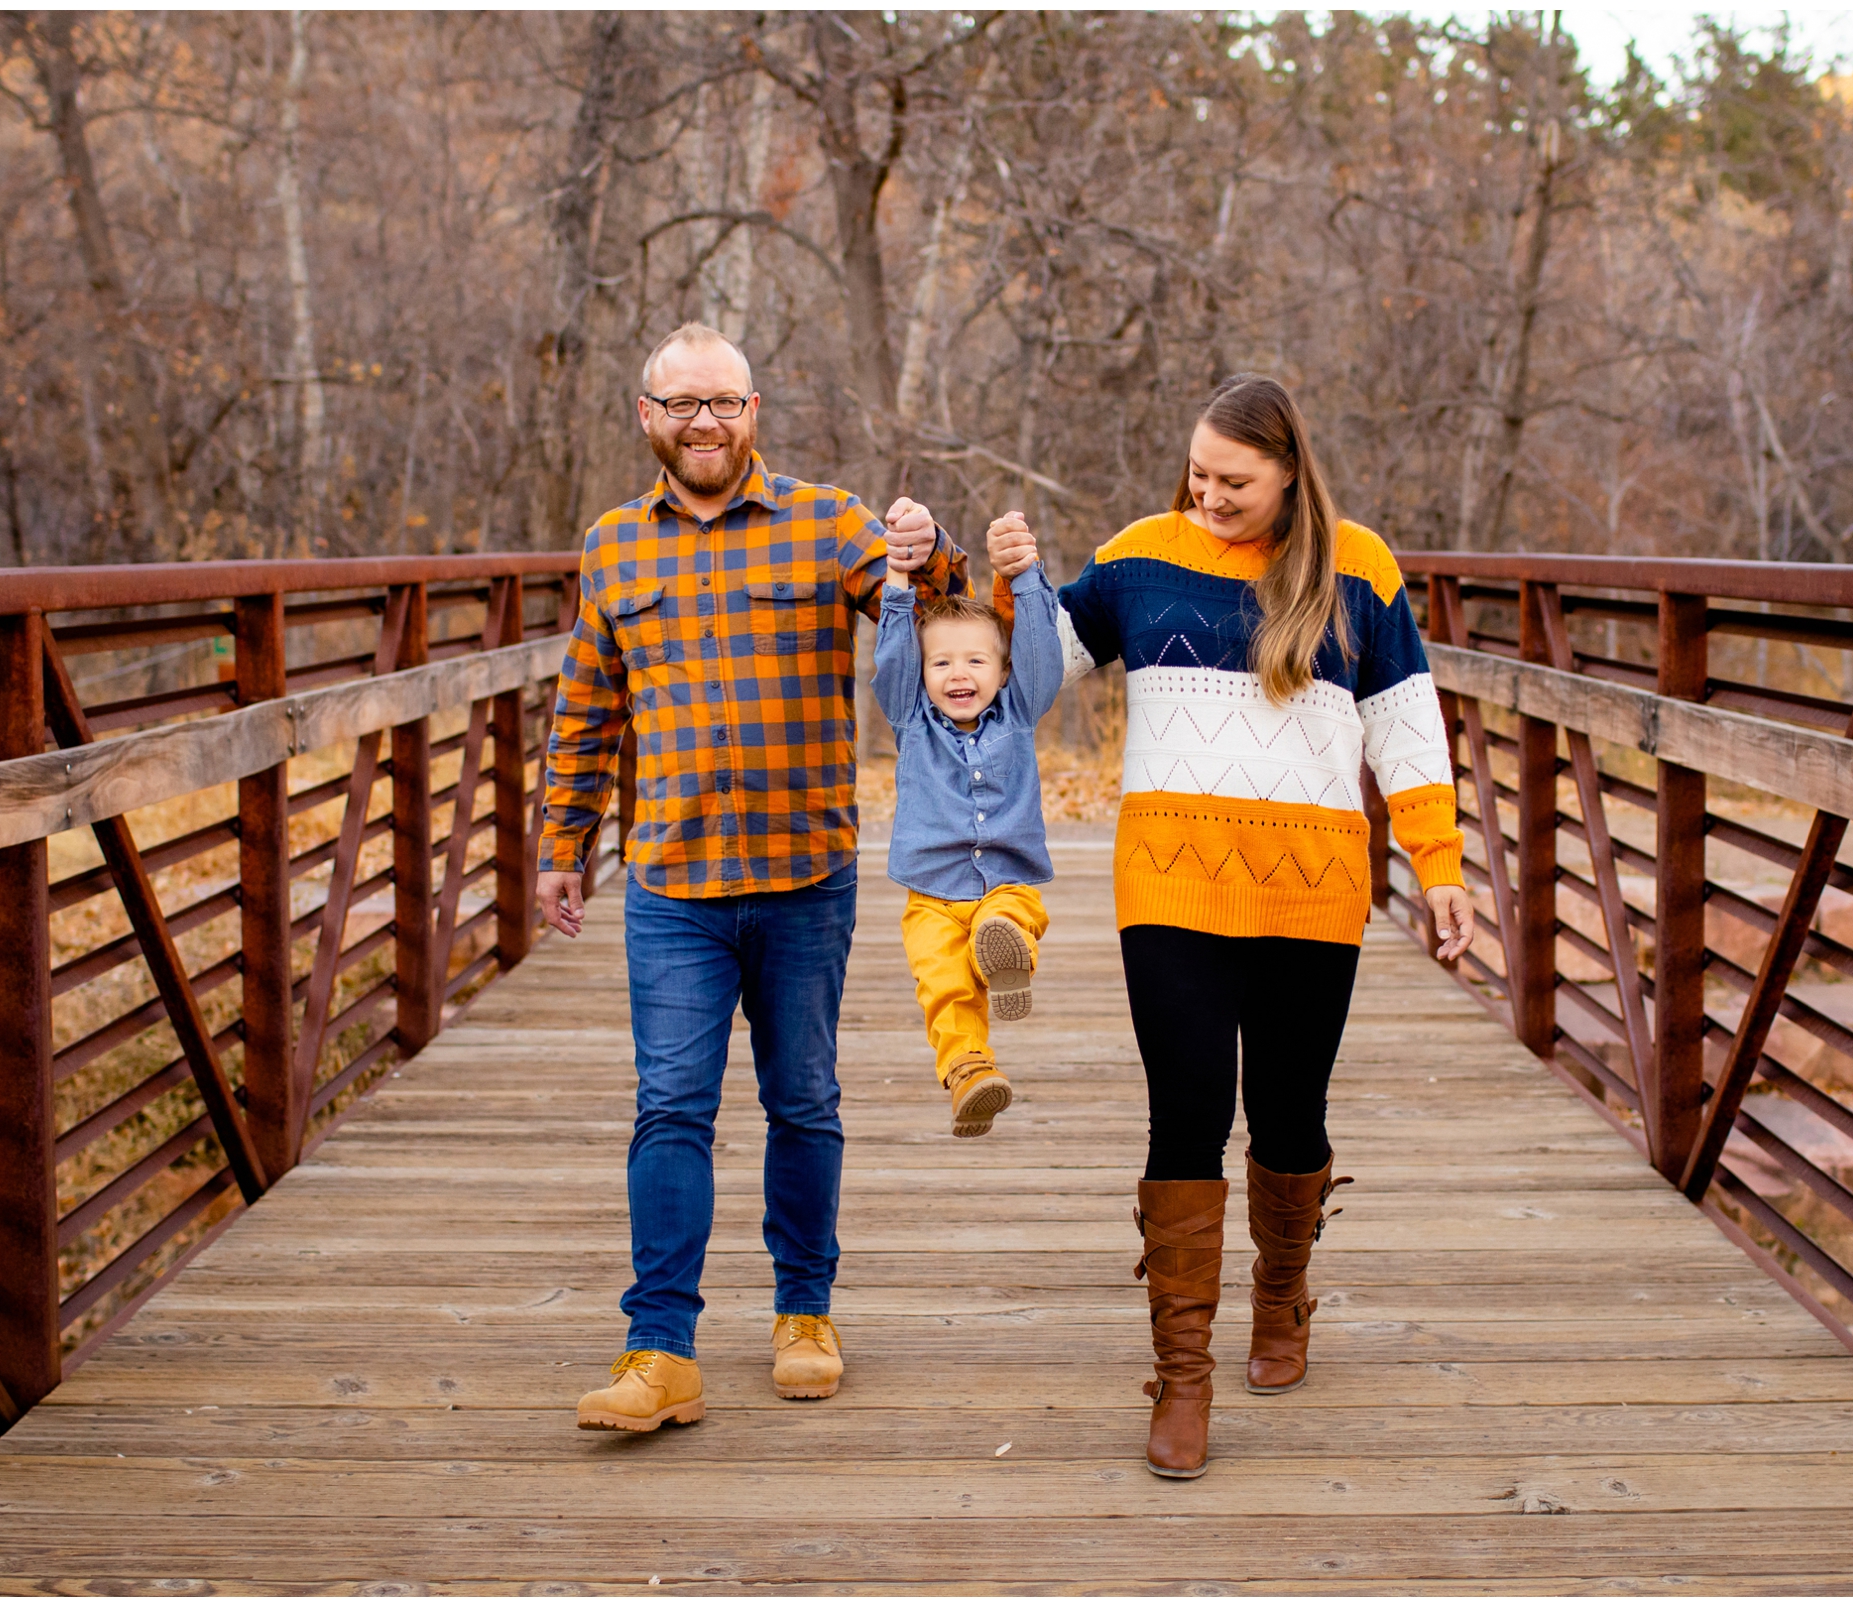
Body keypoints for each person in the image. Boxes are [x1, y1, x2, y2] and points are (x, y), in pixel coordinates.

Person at [987, 374, 1475, 1479]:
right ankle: (1184, 1373)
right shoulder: (1140, 554)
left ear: (1291, 473)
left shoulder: (1361, 568)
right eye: (1198, 474)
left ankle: (1283, 1294)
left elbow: (1407, 724)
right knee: (1189, 1111)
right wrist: (1003, 583)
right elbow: (1030, 680)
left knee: (1290, 1113)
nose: (1207, 495)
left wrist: (1440, 864)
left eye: (1234, 482)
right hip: (1171, 883)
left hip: (1312, 883)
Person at [536, 322, 971, 1433]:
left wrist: (932, 549)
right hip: (673, 880)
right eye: (681, 404)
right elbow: (587, 709)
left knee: (803, 1100)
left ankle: (804, 1311)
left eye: (722, 402)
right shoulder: (613, 547)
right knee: (670, 1107)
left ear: (754, 410)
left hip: (803, 871)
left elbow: (945, 626)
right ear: (647, 418)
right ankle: (660, 1348)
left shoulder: (830, 524)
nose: (704, 423)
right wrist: (560, 846)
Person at [872, 536, 1063, 1136]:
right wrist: (898, 583)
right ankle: (970, 1074)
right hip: (931, 893)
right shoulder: (910, 717)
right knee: (942, 985)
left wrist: (1026, 577)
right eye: (942, 662)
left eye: (977, 661)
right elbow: (893, 659)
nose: (959, 673)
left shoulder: (1020, 709)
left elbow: (1041, 654)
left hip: (1005, 878)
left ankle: (1008, 957)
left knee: (1009, 915)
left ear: (1004, 671)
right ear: (923, 672)